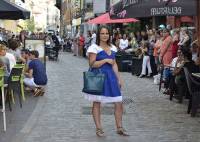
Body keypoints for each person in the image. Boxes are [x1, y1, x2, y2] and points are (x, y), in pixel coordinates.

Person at [85, 25, 128, 137]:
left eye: (107, 33)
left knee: (118, 102)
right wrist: (104, 60)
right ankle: (99, 128)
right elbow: (92, 64)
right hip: (98, 77)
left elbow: (114, 64)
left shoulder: (113, 47)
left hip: (111, 77)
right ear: (99, 35)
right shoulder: (94, 48)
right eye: (102, 33)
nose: (105, 36)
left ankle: (119, 127)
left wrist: (119, 79)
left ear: (110, 35)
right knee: (97, 102)